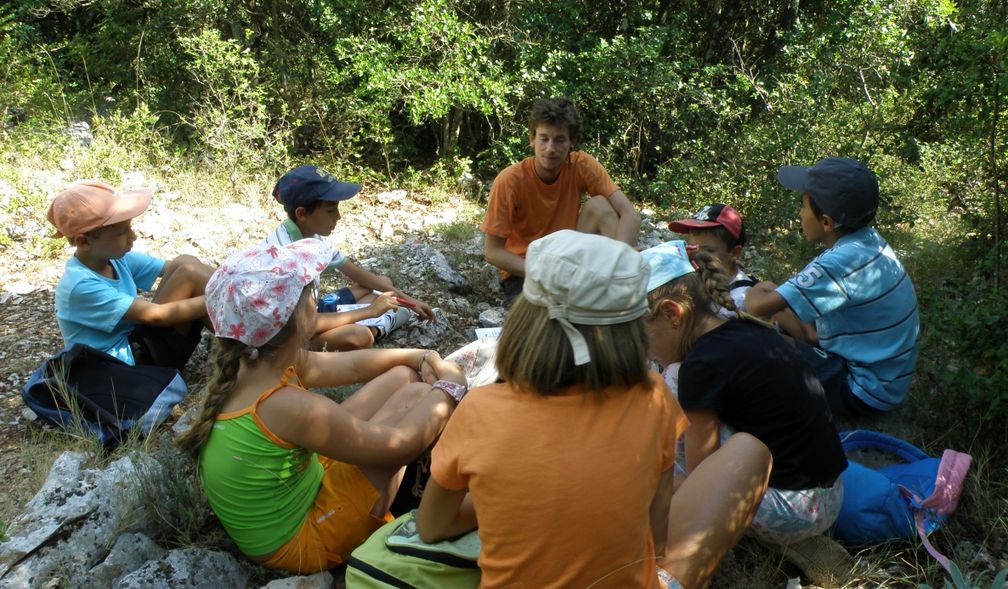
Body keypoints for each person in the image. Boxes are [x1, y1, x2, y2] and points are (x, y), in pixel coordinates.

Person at [415, 230, 772, 589]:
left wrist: (511, 503)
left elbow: (431, 527)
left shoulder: (478, 410)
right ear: (632, 328)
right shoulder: (654, 397)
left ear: (524, 321)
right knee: (750, 450)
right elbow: (655, 541)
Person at [177, 239, 467, 575]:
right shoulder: (289, 407)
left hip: (303, 486)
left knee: (403, 376)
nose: (316, 297)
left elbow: (354, 367)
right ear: (297, 319)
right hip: (304, 543)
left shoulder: (253, 362)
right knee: (419, 399)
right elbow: (397, 447)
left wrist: (419, 357)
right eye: (311, 293)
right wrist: (449, 389)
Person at [642, 240, 849, 571]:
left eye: (642, 334)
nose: (645, 350)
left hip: (793, 511)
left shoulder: (697, 369)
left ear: (672, 314)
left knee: (670, 385)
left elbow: (700, 479)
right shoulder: (747, 328)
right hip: (833, 492)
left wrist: (647, 487)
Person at [744, 157, 920, 417]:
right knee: (781, 307)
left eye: (802, 206)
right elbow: (809, 327)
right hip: (887, 381)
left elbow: (755, 306)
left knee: (754, 340)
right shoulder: (869, 242)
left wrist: (759, 286)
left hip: (860, 391)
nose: (800, 215)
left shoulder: (837, 264)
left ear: (827, 222)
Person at [481, 97, 640, 301]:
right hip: (526, 270)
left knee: (600, 205)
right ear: (532, 139)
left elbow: (630, 215)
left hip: (569, 261)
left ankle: (618, 282)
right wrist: (545, 273)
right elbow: (493, 252)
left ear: (572, 141)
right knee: (556, 323)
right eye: (544, 138)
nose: (550, 148)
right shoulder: (510, 180)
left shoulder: (582, 165)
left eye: (559, 140)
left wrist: (621, 259)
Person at [265, 164, 436, 350]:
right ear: (302, 213)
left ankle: (378, 316)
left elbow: (357, 274)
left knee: (383, 283)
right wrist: (369, 311)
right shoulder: (287, 259)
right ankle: (379, 325)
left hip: (313, 310)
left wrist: (410, 302)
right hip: (295, 332)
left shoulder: (313, 235)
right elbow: (305, 325)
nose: (338, 217)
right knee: (360, 336)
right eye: (331, 210)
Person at [47, 180, 212, 371]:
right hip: (121, 369)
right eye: (122, 232)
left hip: (138, 348)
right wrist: (222, 294)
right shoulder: (80, 285)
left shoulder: (114, 259)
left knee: (186, 261)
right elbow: (157, 316)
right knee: (190, 274)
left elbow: (174, 267)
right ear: (84, 242)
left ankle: (243, 332)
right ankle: (245, 337)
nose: (133, 236)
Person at [669, 203, 756, 312]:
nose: (696, 256)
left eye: (707, 250)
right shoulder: (692, 281)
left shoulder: (741, 300)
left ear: (734, 253)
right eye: (691, 248)